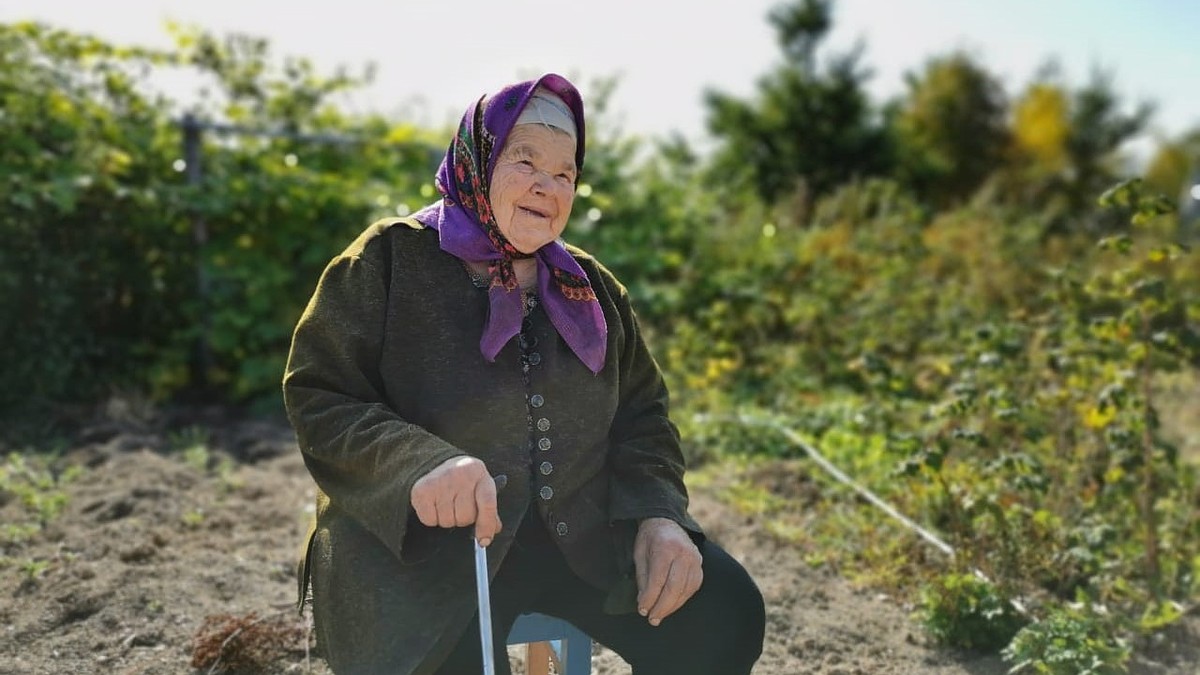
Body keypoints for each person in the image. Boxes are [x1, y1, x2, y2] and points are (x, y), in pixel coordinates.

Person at [282, 73, 765, 675]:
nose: (548, 186)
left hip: (583, 539)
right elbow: (322, 397)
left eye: (566, 173)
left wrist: (658, 514)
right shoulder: (385, 261)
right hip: (425, 556)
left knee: (725, 614)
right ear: (476, 160)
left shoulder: (591, 288)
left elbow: (643, 416)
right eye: (526, 159)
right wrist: (417, 464)